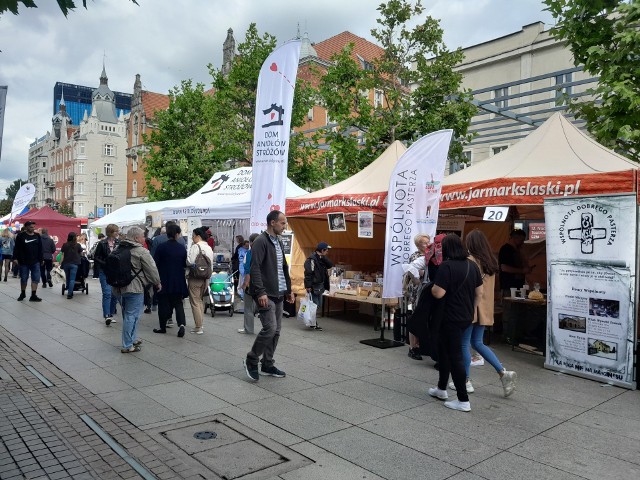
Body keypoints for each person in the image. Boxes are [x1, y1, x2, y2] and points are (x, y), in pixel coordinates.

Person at [455, 229, 517, 397]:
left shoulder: (469, 261)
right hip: (485, 309)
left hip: (470, 307)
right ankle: (503, 372)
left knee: (464, 344)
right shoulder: (491, 261)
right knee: (478, 343)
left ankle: (465, 380)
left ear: (470, 244)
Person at [428, 234, 483, 412]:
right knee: (445, 353)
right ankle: (441, 389)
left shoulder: (447, 266)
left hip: (448, 318)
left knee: (454, 356)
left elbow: (438, 293)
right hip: (465, 317)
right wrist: (471, 310)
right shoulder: (472, 265)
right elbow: (479, 293)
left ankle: (462, 399)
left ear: (446, 249)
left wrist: (431, 288)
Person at [242, 211, 293, 381]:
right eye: (282, 223)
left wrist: (289, 289)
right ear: (272, 223)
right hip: (266, 293)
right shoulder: (261, 241)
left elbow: (283, 268)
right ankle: (252, 359)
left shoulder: (278, 241)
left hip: (278, 292)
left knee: (276, 331)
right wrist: (261, 292)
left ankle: (267, 364)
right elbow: (255, 267)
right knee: (270, 328)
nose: (284, 227)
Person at [112, 227, 161, 353]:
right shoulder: (141, 251)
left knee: (127, 314)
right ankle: (128, 345)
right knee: (132, 315)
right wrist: (157, 282)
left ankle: (132, 338)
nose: (144, 239)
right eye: (142, 236)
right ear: (136, 238)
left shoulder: (119, 248)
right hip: (135, 287)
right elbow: (152, 269)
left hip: (119, 287)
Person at [153, 223, 189, 337]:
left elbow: (155, 263)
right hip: (178, 280)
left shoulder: (161, 247)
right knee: (178, 303)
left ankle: (162, 327)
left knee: (163, 304)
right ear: (177, 234)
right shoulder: (181, 248)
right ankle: (182, 324)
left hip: (164, 279)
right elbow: (184, 264)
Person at [405, 233, 431, 360]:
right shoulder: (416, 256)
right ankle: (413, 347)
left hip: (426, 290)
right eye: (424, 242)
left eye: (428, 241)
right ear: (417, 244)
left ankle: (421, 344)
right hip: (417, 291)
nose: (427, 244)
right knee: (415, 317)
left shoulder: (431, 255)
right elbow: (414, 273)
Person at [187, 227, 214, 335]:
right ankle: (200, 324)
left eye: (193, 236)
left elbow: (190, 261)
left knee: (194, 301)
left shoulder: (195, 247)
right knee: (200, 301)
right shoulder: (208, 248)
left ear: (198, 236)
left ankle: (198, 326)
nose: (192, 238)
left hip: (195, 277)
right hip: (205, 277)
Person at [93, 224, 120, 325]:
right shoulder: (102, 243)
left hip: (115, 272)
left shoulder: (119, 242)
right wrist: (105, 263)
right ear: (110, 232)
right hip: (104, 271)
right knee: (107, 293)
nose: (117, 233)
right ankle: (107, 315)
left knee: (114, 294)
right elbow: (96, 257)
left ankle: (111, 313)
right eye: (115, 231)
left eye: (117, 231)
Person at [303, 241, 334, 331]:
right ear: (322, 250)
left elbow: (330, 265)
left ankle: (312, 322)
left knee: (318, 305)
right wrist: (308, 286)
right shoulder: (311, 260)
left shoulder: (321, 258)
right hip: (314, 286)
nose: (327, 251)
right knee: (314, 304)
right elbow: (308, 273)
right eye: (326, 250)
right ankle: (313, 323)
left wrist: (323, 257)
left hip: (320, 285)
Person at [13, 221, 44, 302]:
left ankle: (33, 295)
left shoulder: (37, 236)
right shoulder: (21, 236)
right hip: (23, 261)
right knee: (23, 278)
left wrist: (41, 259)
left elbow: (40, 248)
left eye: (34, 227)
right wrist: (15, 258)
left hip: (35, 261)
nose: (33, 228)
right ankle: (22, 293)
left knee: (36, 278)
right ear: (26, 227)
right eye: (31, 227)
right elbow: (16, 248)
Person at [498, 229, 532, 294]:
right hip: (509, 287)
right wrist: (522, 271)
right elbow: (504, 267)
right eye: (521, 240)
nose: (522, 242)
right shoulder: (506, 249)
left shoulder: (518, 250)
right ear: (515, 238)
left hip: (519, 285)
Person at [238, 233, 259, 334]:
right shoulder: (266, 252)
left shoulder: (249, 253)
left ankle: (248, 328)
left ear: (251, 243)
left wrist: (245, 283)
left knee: (248, 307)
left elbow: (247, 270)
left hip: (251, 284)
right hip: (264, 284)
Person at [60, 232, 83, 299]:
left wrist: (60, 263)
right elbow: (81, 254)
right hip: (74, 264)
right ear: (75, 238)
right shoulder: (78, 245)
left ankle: (68, 288)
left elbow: (62, 255)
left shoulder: (65, 245)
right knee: (72, 279)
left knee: (67, 277)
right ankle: (70, 293)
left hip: (66, 264)